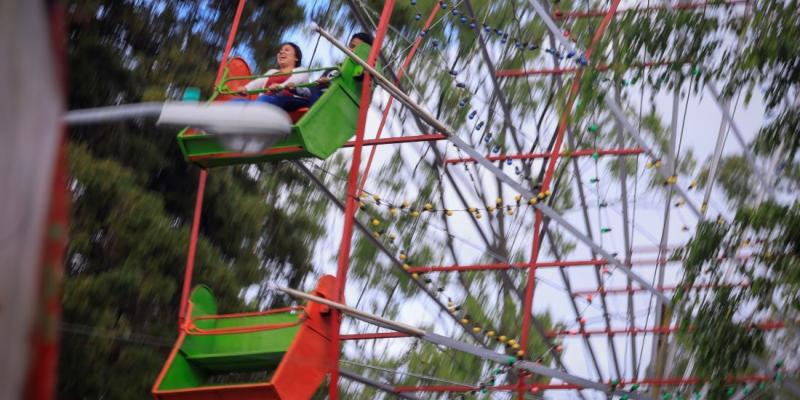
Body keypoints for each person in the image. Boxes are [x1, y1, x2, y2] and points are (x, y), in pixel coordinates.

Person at [238, 42, 311, 112]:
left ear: (296, 58)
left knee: (264, 99)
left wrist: (281, 86)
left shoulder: (301, 70)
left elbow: (295, 81)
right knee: (238, 102)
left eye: (286, 50)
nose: (281, 52)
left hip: (289, 100)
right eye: (280, 51)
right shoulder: (272, 72)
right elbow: (257, 82)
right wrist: (246, 88)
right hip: (267, 101)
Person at [308, 32, 374, 103]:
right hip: (313, 95)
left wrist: (329, 83)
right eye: (351, 46)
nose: (351, 50)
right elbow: (315, 85)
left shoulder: (363, 74)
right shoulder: (334, 69)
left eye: (357, 49)